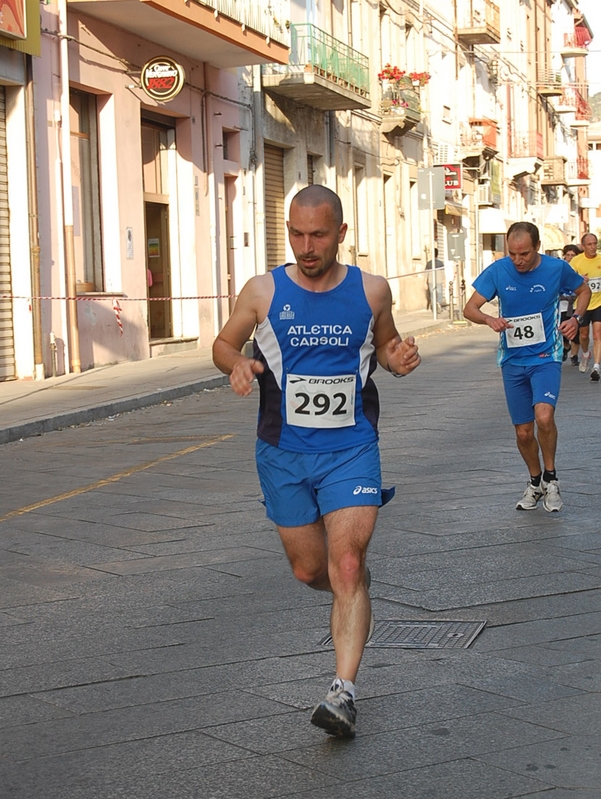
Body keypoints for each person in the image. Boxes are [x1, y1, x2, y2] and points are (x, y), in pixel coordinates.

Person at [212, 185, 421, 739]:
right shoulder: (262, 291)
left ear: (341, 234)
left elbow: (388, 347)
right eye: (298, 235)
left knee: (346, 564)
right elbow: (222, 343)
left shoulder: (372, 290)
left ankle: (342, 693)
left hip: (351, 448)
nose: (307, 247)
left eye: (319, 235)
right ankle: (348, 588)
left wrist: (400, 359)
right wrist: (235, 363)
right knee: (311, 570)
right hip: (282, 452)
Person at [463, 222, 590, 513]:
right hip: (512, 361)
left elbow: (583, 291)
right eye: (513, 254)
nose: (518, 260)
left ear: (537, 247)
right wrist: (488, 320)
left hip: (545, 357)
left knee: (544, 417)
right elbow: (469, 308)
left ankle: (552, 477)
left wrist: (575, 318)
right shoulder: (498, 271)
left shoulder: (556, 268)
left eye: (525, 254)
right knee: (523, 432)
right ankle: (535, 482)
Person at [569, 232, 601, 381]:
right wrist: (579, 279)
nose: (593, 247)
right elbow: (567, 281)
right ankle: (586, 353)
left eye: (595, 243)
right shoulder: (576, 262)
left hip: (599, 303)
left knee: (597, 334)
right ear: (583, 246)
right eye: (589, 244)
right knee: (583, 335)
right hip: (582, 304)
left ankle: (596, 367)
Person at [560, 243, 582, 365]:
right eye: (568, 255)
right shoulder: (561, 268)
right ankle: (566, 345)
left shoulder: (579, 269)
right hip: (563, 304)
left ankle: (574, 355)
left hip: (576, 304)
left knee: (576, 332)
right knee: (563, 329)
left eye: (573, 255)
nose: (570, 257)